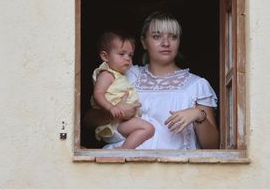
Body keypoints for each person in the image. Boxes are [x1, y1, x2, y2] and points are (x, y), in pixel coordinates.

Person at [85, 12, 219, 149]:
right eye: (156, 36)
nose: (166, 43)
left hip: (175, 168)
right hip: (123, 166)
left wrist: (198, 115)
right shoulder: (125, 75)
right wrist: (116, 113)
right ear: (143, 42)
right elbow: (88, 121)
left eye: (173, 37)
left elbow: (212, 146)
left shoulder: (196, 85)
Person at [91, 31, 155, 149]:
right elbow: (98, 93)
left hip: (122, 122)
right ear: (105, 56)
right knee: (148, 128)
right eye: (122, 54)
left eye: (130, 55)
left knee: (147, 129)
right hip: (115, 123)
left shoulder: (120, 75)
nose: (127, 59)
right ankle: (124, 150)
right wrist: (111, 108)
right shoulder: (107, 74)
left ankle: (124, 148)